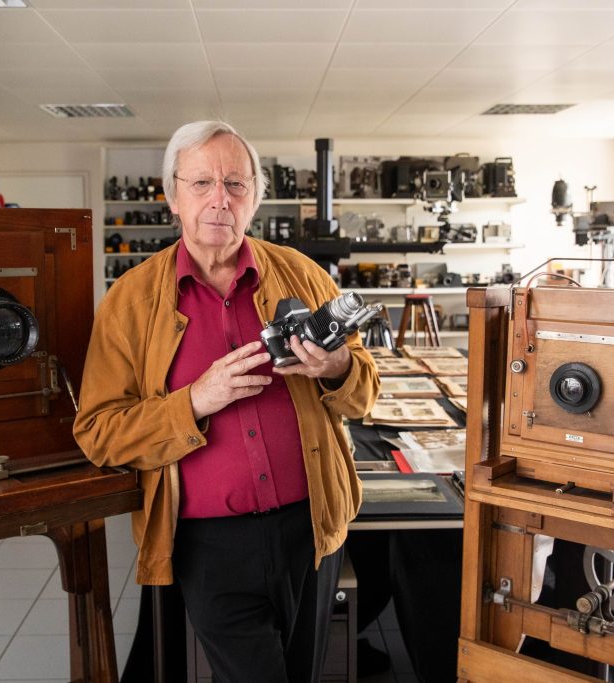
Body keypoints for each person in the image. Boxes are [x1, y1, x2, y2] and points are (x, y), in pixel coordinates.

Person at [73, 120, 379, 683]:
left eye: (236, 184)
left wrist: (336, 368)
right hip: (209, 543)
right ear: (172, 196)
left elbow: (364, 395)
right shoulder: (130, 302)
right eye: (202, 183)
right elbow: (99, 432)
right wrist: (194, 400)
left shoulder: (304, 275)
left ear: (255, 196)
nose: (221, 200)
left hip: (311, 527)